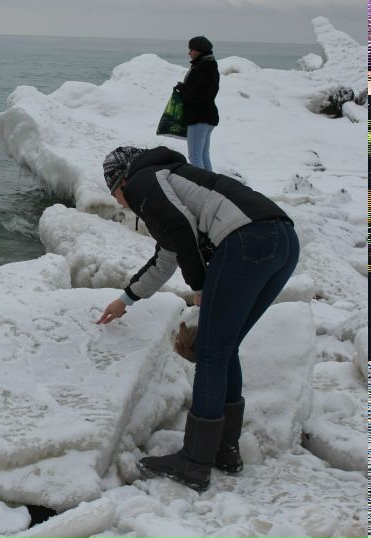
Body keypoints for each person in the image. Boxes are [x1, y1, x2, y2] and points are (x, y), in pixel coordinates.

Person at [97, 145, 299, 492]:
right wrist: (125, 299)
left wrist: (200, 285)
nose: (118, 201)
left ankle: (194, 462)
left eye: (113, 191)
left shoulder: (145, 181)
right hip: (282, 241)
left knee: (208, 350)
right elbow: (168, 255)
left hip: (246, 240)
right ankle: (224, 448)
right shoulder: (174, 181)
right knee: (224, 347)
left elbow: (180, 226)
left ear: (122, 180)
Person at [175, 36, 219, 171]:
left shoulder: (202, 68)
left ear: (199, 51)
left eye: (191, 49)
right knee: (203, 156)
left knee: (194, 157)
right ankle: (211, 187)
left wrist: (183, 89)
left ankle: (202, 188)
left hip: (199, 117)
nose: (189, 53)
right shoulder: (210, 66)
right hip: (208, 117)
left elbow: (197, 95)